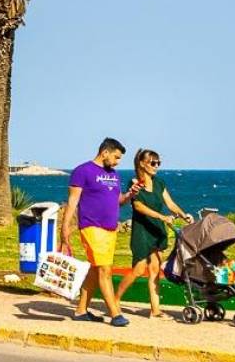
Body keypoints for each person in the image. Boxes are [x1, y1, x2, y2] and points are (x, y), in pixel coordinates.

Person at [61, 138, 140, 327]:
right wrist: (65, 228)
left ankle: (81, 311)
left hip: (110, 229)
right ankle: (115, 314)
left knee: (96, 269)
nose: (117, 162)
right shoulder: (83, 171)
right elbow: (72, 201)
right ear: (105, 152)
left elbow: (118, 200)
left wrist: (130, 194)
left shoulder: (114, 174)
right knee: (105, 269)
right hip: (91, 226)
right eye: (116, 157)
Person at [123, 149, 187, 319]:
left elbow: (170, 204)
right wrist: (161, 216)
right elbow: (138, 206)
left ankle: (155, 310)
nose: (156, 166)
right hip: (142, 230)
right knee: (138, 269)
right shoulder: (134, 183)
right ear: (142, 164)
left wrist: (183, 215)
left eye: (158, 163)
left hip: (156, 229)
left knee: (155, 270)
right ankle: (115, 299)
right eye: (153, 162)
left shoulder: (159, 183)